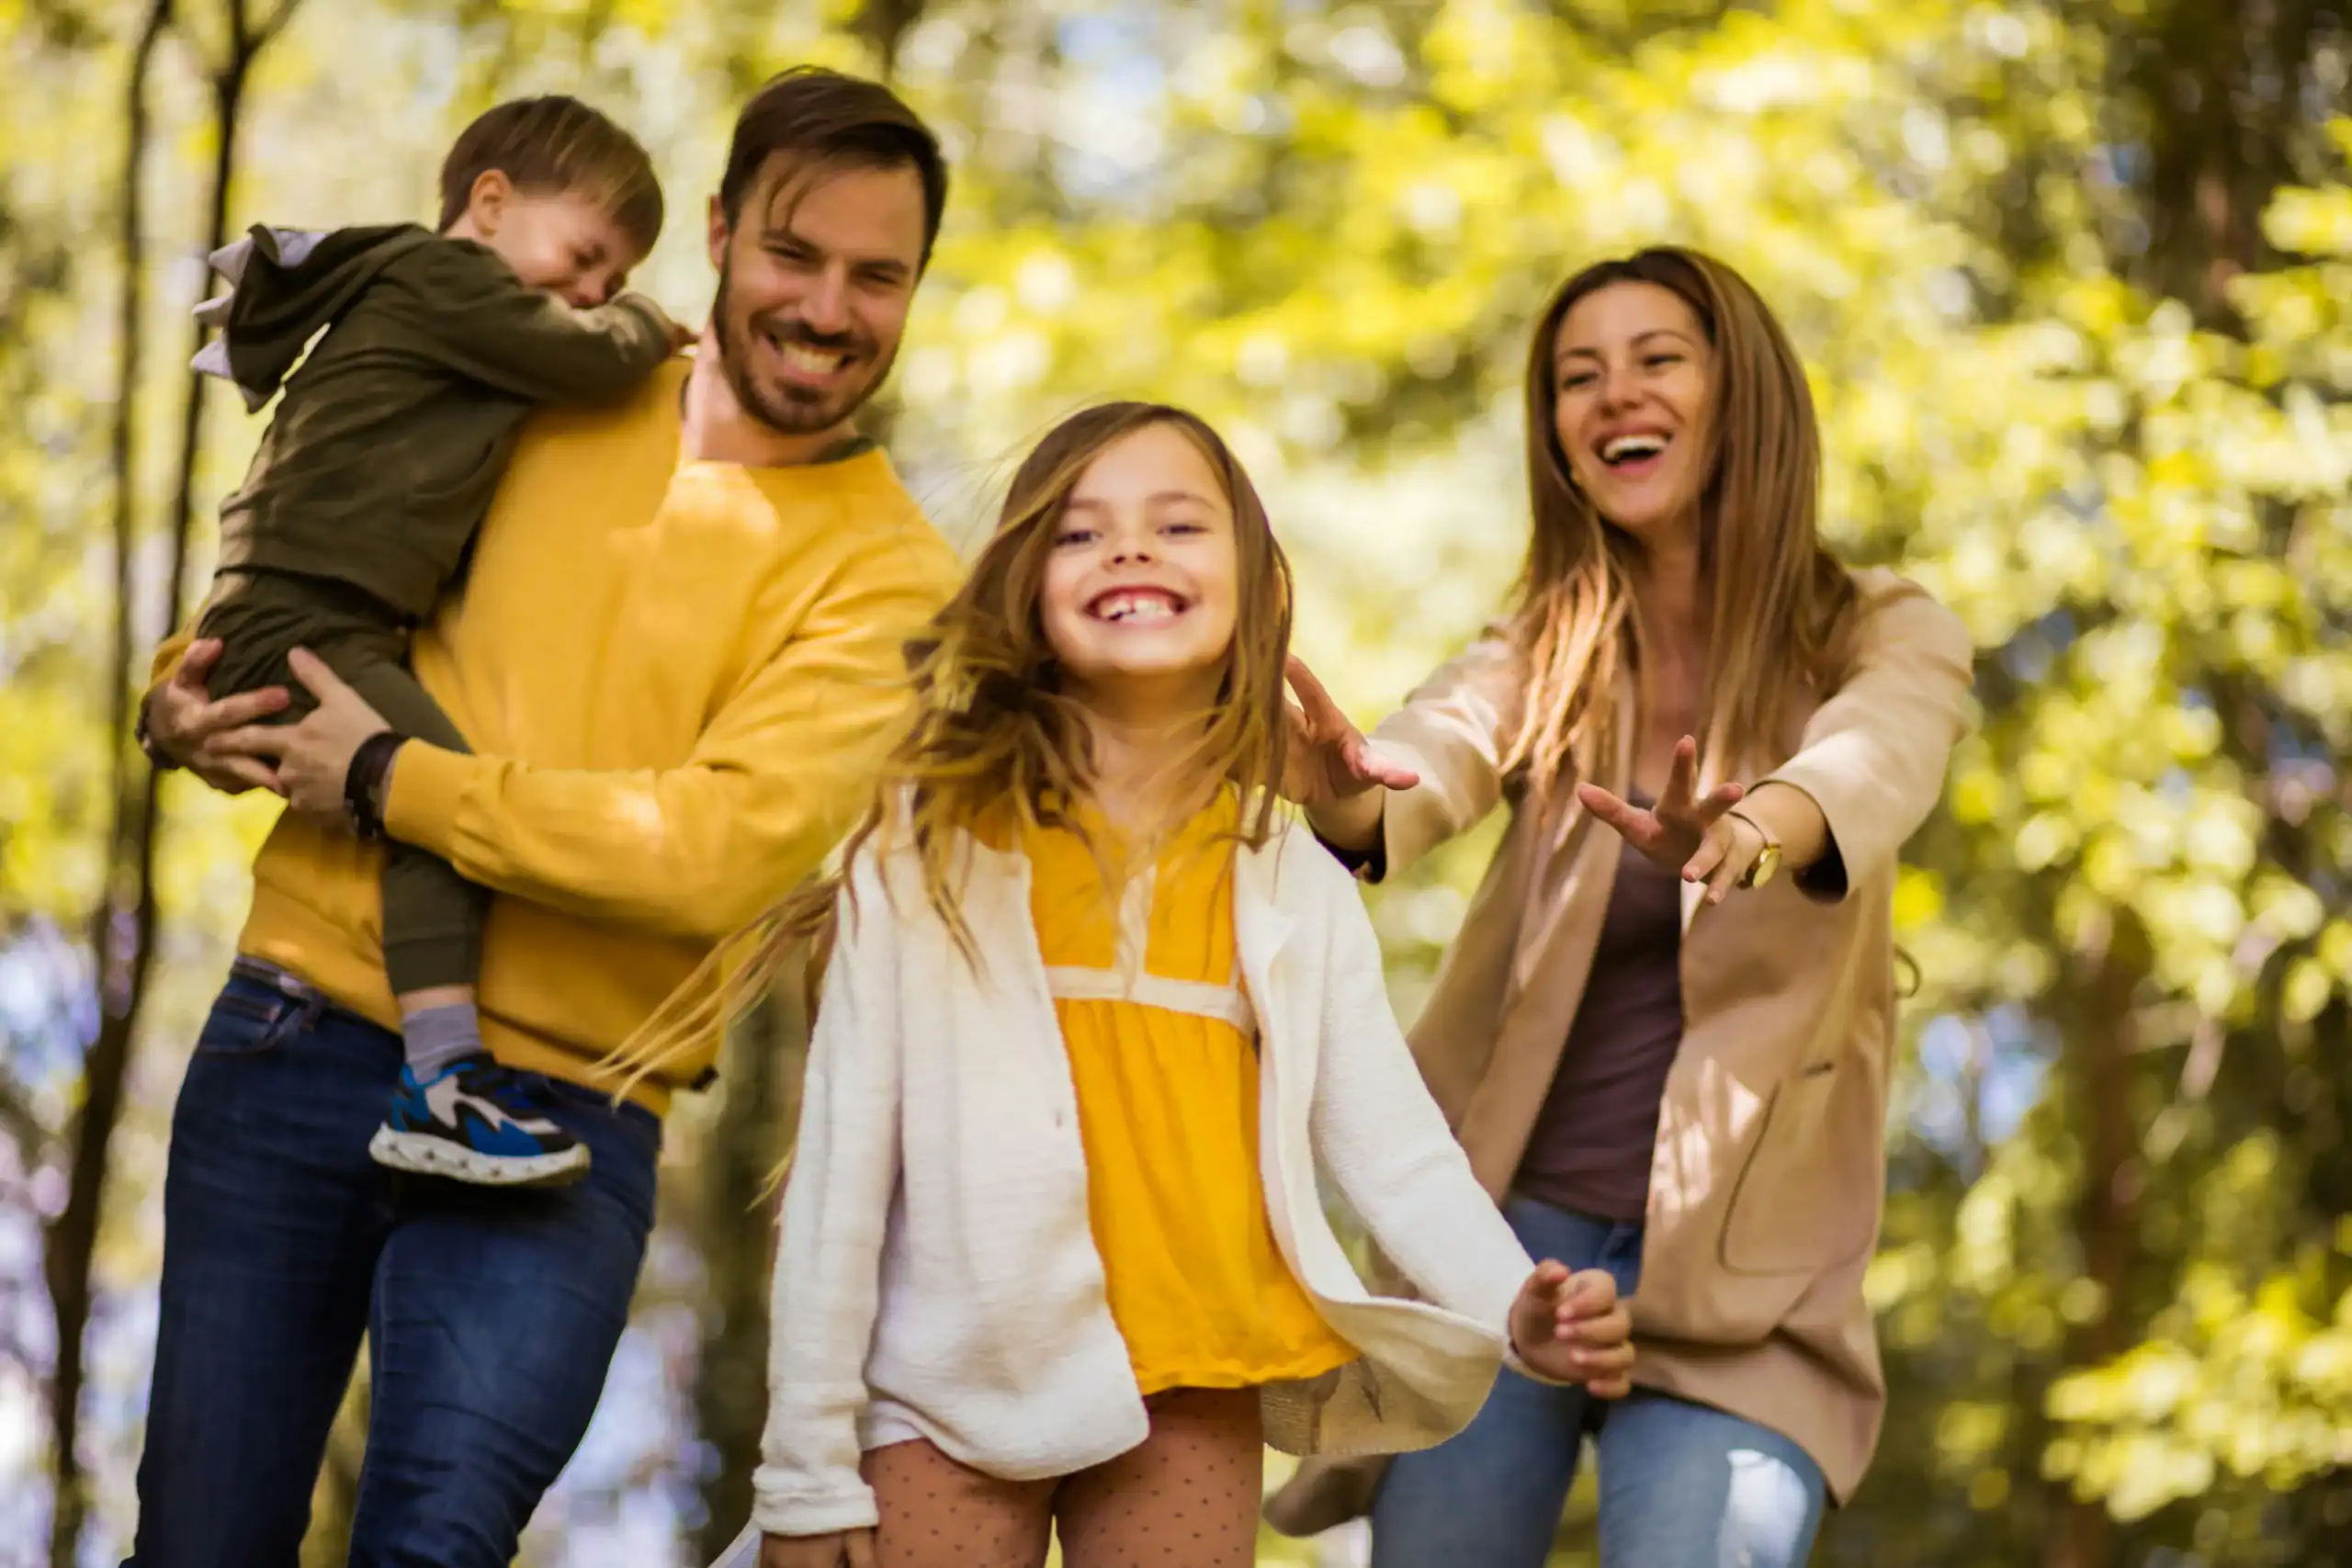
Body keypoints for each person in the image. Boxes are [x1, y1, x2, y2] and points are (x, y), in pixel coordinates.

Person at [128, 66, 962, 1568]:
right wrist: (180, 696)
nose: (828, 307)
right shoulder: (548, 362)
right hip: (300, 1027)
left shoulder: (895, 578)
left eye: (876, 275)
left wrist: (394, 780)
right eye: (793, 251)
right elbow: (318, 536)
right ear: (714, 232)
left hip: (569, 1113)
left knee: (434, 1546)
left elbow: (714, 853)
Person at [657, 401, 1637, 1568]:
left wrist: (1510, 1306)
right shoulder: (928, 850)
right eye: (1079, 534)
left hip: (1194, 1386)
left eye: (1178, 526)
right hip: (944, 1395)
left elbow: (1397, 1152)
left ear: (1253, 589)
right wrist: (808, 1475)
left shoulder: (1292, 882)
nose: (1129, 551)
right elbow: (839, 1182)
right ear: (1024, 589)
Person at [1266, 247, 1975, 1567]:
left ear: (1739, 394)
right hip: (1506, 1246)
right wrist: (1350, 797)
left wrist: (1754, 827)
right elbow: (1437, 745)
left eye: (1657, 359)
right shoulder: (1549, 642)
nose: (1613, 396)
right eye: (1576, 378)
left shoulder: (1881, 629)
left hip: (1746, 1277)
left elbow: (1883, 749)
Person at [173, 94, 692, 1188]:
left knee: (413, 796)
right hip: (305, 620)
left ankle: (437, 1079)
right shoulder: (444, 279)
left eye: (615, 279)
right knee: (433, 802)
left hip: (303, 614)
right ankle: (444, 1080)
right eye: (590, 255)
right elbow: (588, 361)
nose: (596, 291)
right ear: (490, 205)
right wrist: (647, 325)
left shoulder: (429, 313)